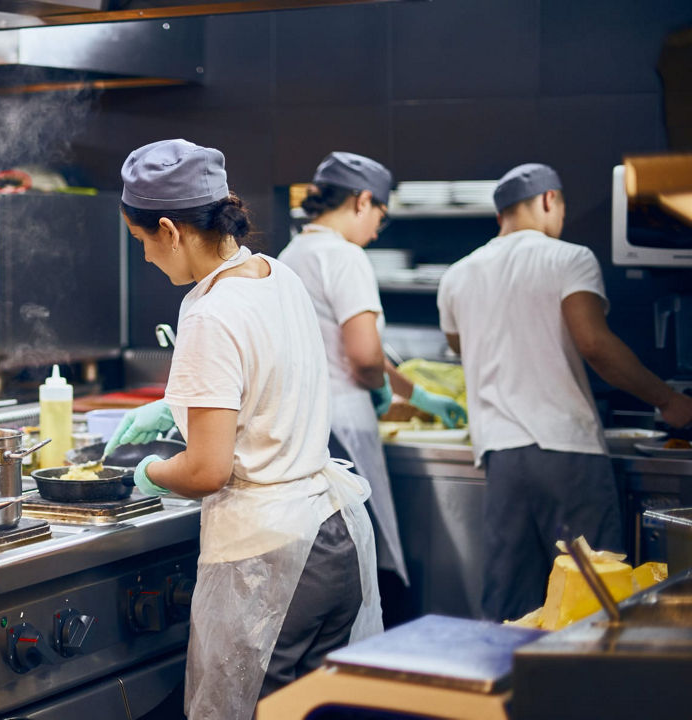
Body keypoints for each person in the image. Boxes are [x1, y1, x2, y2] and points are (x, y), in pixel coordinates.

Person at [105, 139, 382, 719]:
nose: (148, 260)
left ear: (170, 230)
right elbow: (263, 385)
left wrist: (140, 474)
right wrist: (172, 407)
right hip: (334, 537)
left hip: (273, 565)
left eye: (143, 244)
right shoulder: (274, 274)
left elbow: (207, 470)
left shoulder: (209, 311)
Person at [437, 162, 692, 622]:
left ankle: (504, 689)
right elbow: (595, 345)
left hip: (502, 455)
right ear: (549, 200)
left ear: (501, 214)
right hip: (568, 451)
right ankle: (589, 691)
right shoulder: (568, 257)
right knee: (594, 593)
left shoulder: (457, 275)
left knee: (511, 605)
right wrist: (669, 401)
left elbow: (461, 346)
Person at [278, 151, 467, 597]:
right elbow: (363, 357)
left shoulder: (290, 254)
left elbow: (346, 348)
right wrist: (380, 390)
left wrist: (414, 394)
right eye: (380, 212)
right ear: (362, 201)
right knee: (364, 553)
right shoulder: (345, 257)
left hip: (301, 424)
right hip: (344, 425)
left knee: (321, 557)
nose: (379, 227)